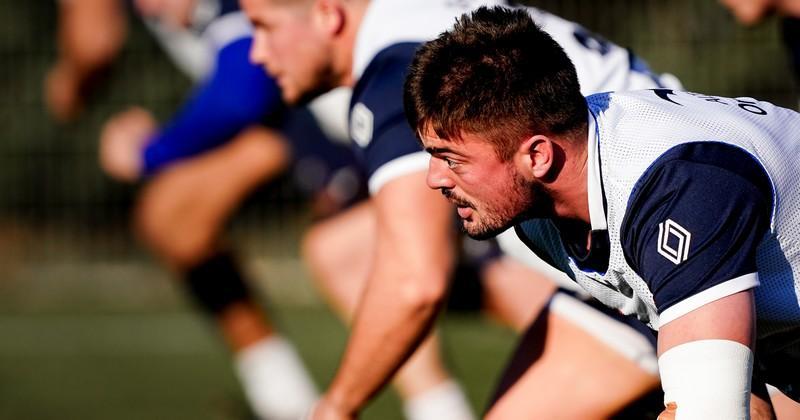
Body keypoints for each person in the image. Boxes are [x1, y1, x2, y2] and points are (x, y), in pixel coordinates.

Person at [242, 0, 686, 417]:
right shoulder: (426, 25)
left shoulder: (403, 65)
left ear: (326, 13)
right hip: (630, 251)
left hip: (669, 257)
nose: (257, 54)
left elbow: (414, 281)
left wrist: (337, 405)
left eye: (264, 27)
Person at [405, 5, 800, 419]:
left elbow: (710, 412)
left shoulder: (676, 190)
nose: (434, 179)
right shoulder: (545, 210)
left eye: (451, 158)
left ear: (537, 156)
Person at [47, 1, 362, 418]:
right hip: (290, 113)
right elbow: (94, 40)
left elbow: (243, 88)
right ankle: (285, 399)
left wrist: (148, 150)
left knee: (371, 260)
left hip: (321, 106)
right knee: (173, 217)